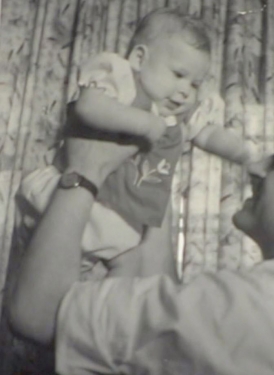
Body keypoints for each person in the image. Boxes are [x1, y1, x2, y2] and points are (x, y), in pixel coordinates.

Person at [8, 90, 274, 375]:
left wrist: (86, 170)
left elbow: (39, 314)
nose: (256, 168)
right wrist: (151, 184)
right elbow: (173, 324)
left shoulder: (258, 310)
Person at [19, 8, 255, 273]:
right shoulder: (121, 81)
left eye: (195, 84)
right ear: (139, 59)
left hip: (121, 219)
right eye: (178, 74)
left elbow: (209, 134)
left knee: (130, 278)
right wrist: (142, 122)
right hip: (73, 200)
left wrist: (245, 155)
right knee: (52, 267)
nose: (185, 91)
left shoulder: (179, 117)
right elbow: (88, 107)